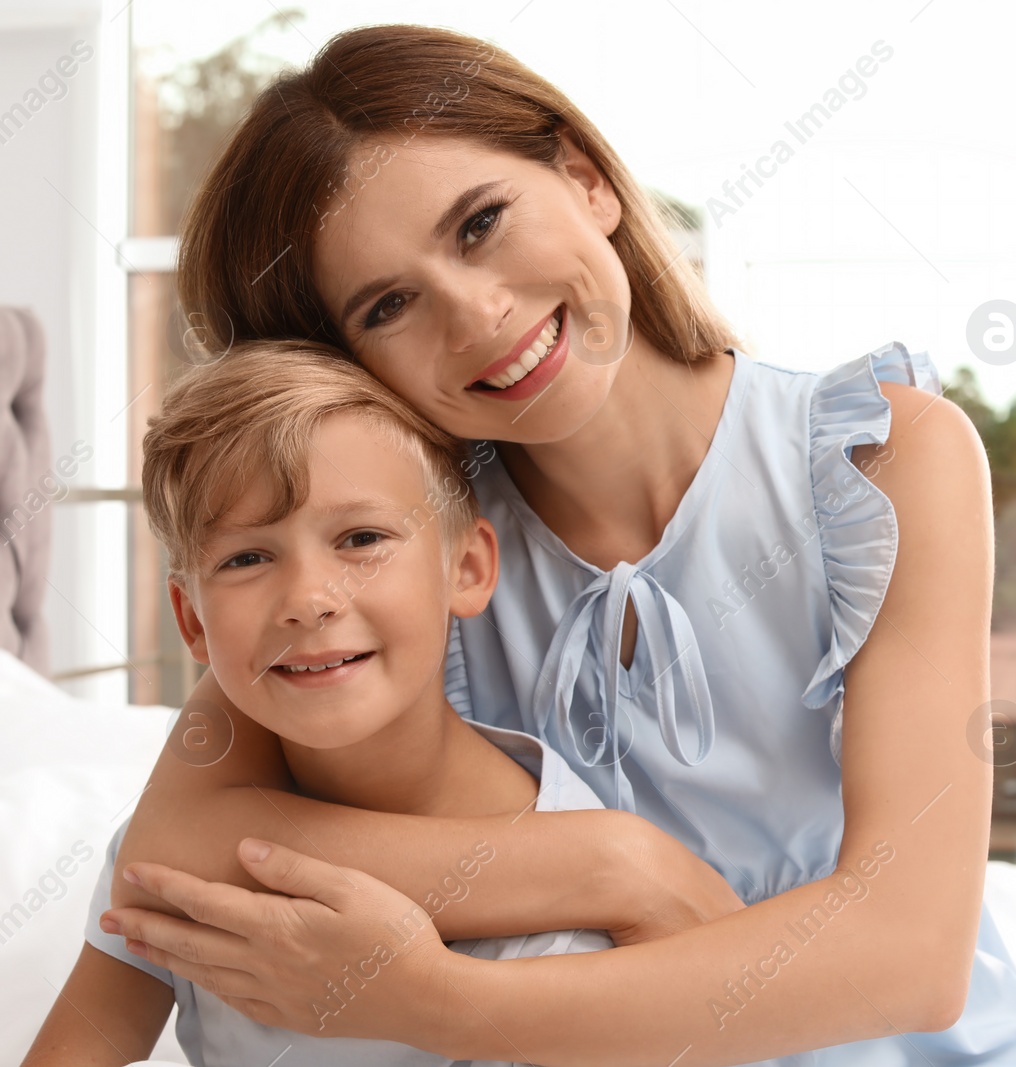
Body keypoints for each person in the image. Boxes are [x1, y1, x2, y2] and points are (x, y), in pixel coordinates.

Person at [97, 23, 1016, 1067]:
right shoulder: (404, 548)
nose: (478, 313)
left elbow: (910, 956)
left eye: (481, 223)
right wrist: (610, 864)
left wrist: (434, 998)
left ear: (585, 179)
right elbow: (171, 842)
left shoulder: (877, 461)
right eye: (389, 304)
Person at [23, 343, 624, 1067]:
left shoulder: (571, 925)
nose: (309, 600)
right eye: (246, 557)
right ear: (192, 622)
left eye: (362, 538)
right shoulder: (175, 847)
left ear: (466, 568)